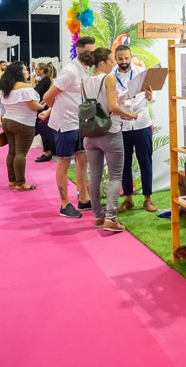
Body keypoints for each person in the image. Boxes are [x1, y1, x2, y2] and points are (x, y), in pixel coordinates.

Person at [79, 48, 138, 232]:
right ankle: (111, 219)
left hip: (90, 135)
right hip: (110, 132)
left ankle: (98, 216)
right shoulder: (109, 78)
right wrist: (128, 114)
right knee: (115, 177)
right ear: (102, 63)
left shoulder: (85, 80)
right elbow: (112, 107)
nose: (114, 63)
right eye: (112, 60)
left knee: (94, 176)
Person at [43, 37, 96, 218]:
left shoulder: (85, 70)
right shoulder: (70, 71)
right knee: (64, 162)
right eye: (89, 51)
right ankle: (65, 204)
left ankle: (83, 198)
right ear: (79, 50)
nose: (92, 55)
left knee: (82, 159)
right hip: (65, 124)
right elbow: (48, 96)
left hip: (80, 123)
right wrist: (55, 110)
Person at [111, 45, 157, 214]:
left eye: (126, 58)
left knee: (145, 160)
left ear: (131, 57)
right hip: (121, 125)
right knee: (124, 163)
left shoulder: (141, 73)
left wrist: (151, 96)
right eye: (120, 59)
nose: (124, 62)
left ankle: (148, 198)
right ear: (116, 59)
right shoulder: (110, 76)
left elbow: (153, 97)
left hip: (141, 123)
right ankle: (128, 199)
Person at [0, 62, 44, 191]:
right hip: (23, 123)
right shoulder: (26, 89)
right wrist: (43, 105)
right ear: (19, 73)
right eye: (25, 70)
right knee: (21, 154)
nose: (28, 72)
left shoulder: (6, 88)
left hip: (8, 121)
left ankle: (12, 181)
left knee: (12, 152)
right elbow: (34, 107)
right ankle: (21, 183)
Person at [33, 62, 57, 163]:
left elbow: (36, 92)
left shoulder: (46, 80)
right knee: (45, 131)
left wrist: (32, 82)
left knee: (44, 131)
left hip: (44, 107)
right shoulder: (46, 80)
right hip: (45, 107)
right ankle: (47, 152)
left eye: (37, 69)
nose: (35, 71)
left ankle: (47, 152)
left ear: (42, 70)